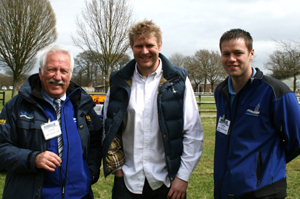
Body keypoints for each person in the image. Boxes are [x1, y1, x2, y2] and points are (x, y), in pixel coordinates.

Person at [102, 19, 203, 199]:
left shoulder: (179, 81)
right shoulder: (118, 82)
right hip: (127, 182)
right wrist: (118, 170)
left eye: (150, 45)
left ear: (160, 45)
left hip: (168, 182)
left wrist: (183, 177)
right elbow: (108, 128)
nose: (145, 51)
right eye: (139, 46)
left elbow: (193, 133)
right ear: (131, 46)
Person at [0, 45, 102, 199]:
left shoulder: (83, 105)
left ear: (70, 74)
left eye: (63, 71)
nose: (58, 76)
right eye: (51, 69)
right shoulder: (16, 106)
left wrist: (91, 172)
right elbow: (2, 148)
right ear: (40, 72)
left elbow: (95, 141)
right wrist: (32, 159)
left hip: (79, 195)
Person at [214, 28, 300, 198]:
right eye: (226, 54)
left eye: (238, 53)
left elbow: (297, 140)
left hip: (263, 190)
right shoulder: (221, 91)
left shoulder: (276, 92)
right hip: (225, 188)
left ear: (251, 53)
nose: (231, 59)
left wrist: (265, 166)